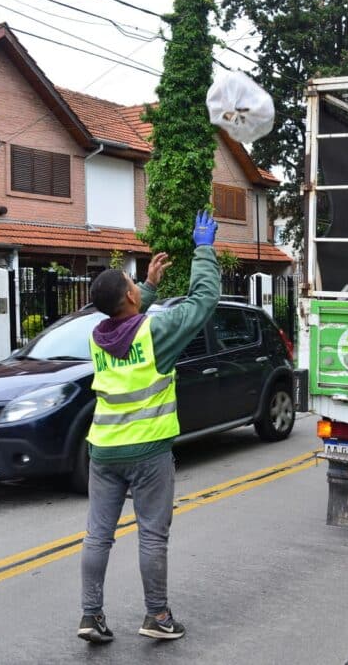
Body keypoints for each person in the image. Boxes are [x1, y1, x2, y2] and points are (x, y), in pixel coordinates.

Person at [77, 211, 220, 644]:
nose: (137, 284)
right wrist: (204, 250)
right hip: (148, 450)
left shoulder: (98, 336)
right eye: (133, 282)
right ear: (130, 296)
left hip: (103, 449)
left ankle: (91, 616)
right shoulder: (156, 332)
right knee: (152, 535)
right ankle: (156, 616)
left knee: (97, 536)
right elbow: (202, 302)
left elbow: (127, 323)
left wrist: (150, 287)